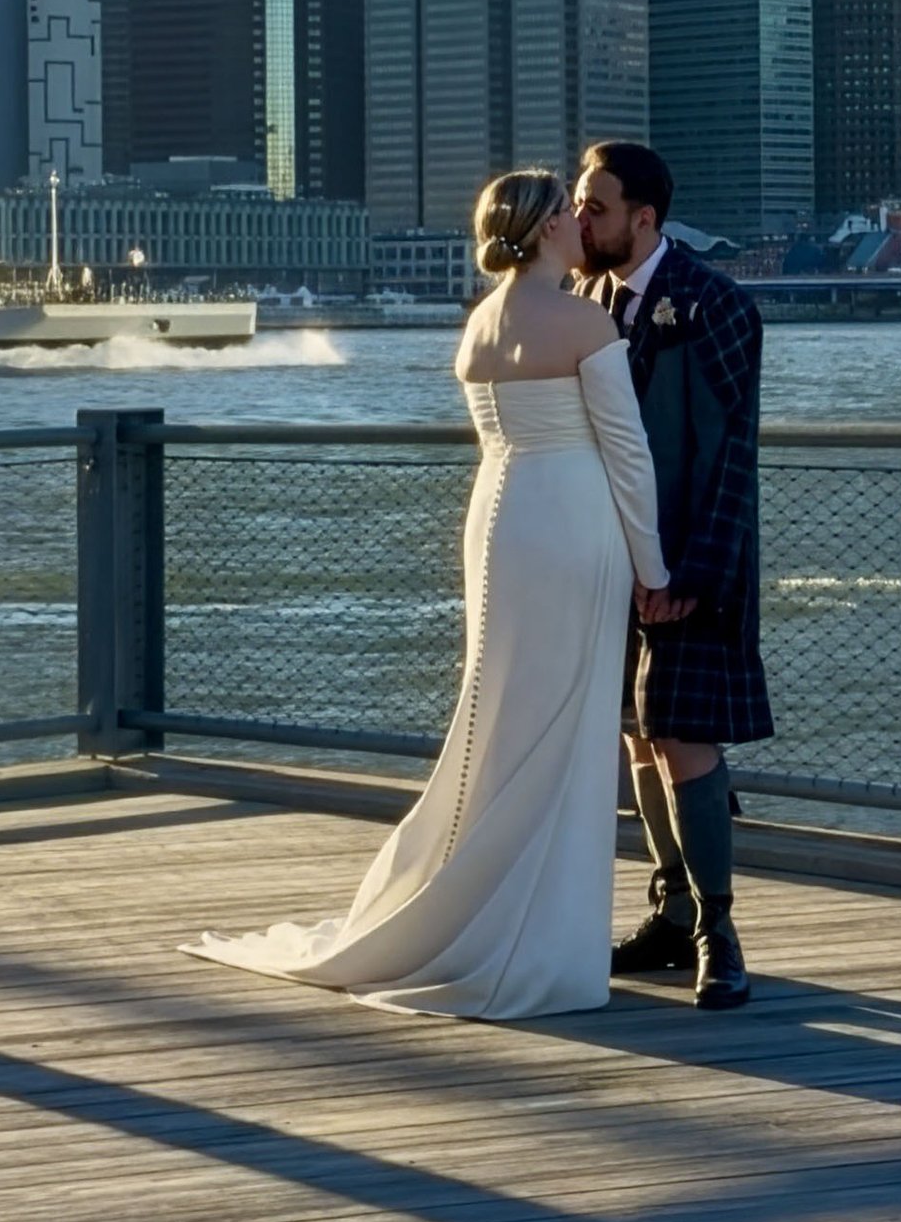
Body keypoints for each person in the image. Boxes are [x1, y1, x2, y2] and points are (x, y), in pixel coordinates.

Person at [187, 167, 667, 1020]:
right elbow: (627, 454)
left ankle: (470, 903)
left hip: (498, 521)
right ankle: (539, 941)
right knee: (564, 726)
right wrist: (655, 569)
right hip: (570, 524)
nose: (579, 221)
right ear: (550, 228)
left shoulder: (480, 321)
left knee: (498, 718)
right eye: (569, 211)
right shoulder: (584, 320)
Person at [574, 136, 770, 1011]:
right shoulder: (583, 299)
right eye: (582, 204)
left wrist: (691, 569)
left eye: (597, 206)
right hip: (607, 562)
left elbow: (735, 453)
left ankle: (717, 937)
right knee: (637, 734)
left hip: (693, 559)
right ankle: (670, 908)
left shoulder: (713, 303)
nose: (582, 217)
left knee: (686, 738)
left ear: (644, 218)